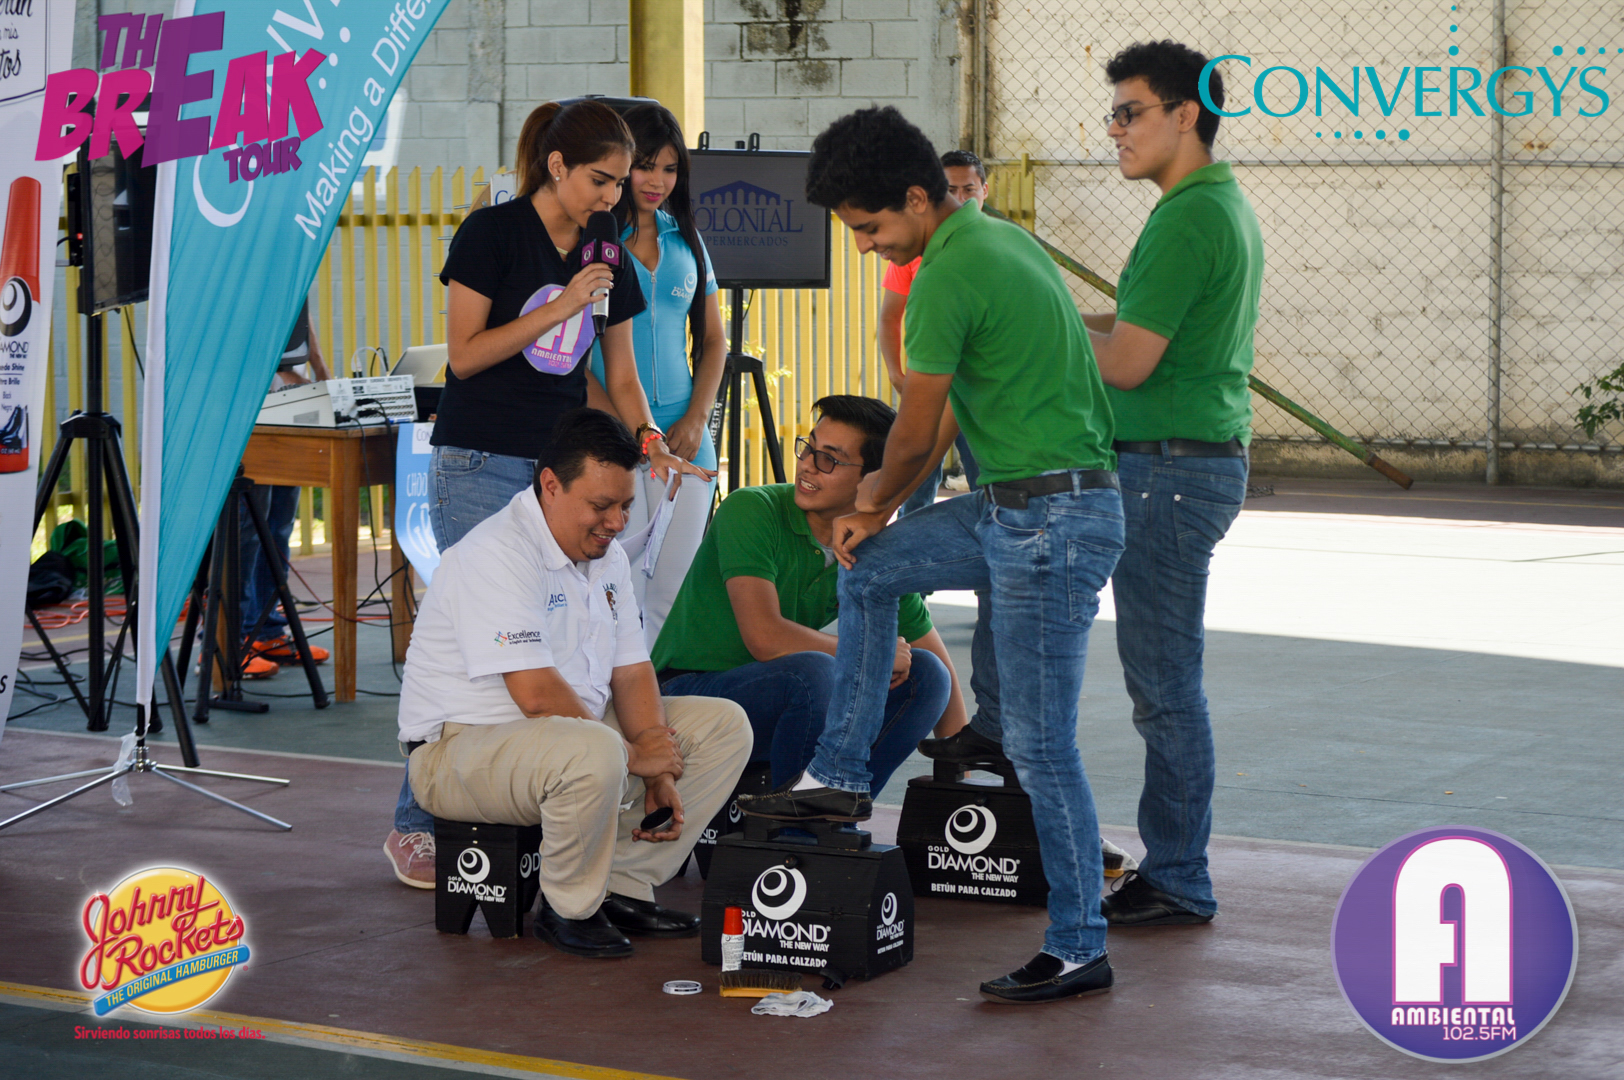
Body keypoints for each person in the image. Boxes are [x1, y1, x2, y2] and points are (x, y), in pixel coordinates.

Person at [737, 106, 1125, 1006]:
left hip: (1054, 524)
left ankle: (1078, 944)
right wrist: (877, 517)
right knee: (872, 569)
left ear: (918, 199)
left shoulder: (950, 272)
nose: (865, 246)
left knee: (1041, 745)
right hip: (1011, 508)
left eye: (870, 227)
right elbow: (948, 414)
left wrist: (872, 502)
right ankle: (840, 775)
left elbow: (913, 431)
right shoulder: (996, 239)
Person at [384, 100, 715, 887]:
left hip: (560, 468)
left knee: (568, 632)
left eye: (620, 182)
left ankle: (545, 796)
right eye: (601, 179)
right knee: (484, 639)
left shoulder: (608, 253)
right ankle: (417, 821)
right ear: (557, 166)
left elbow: (622, 376)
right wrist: (563, 305)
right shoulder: (493, 233)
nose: (613, 195)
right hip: (481, 458)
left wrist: (650, 442)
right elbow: (465, 357)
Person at [397, 408, 752, 958]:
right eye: (601, 506)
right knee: (594, 749)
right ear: (550, 485)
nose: (616, 522)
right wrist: (635, 755)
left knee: (723, 726)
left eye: (626, 506)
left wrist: (658, 763)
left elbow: (631, 669)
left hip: (558, 736)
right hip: (457, 750)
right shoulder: (497, 552)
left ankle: (620, 885)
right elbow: (537, 695)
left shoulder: (605, 557)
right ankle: (569, 907)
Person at [1079, 42, 1263, 927]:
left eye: (1131, 112)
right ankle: (1177, 867)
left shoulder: (1189, 217)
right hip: (1180, 466)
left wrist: (1033, 328)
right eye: (1113, 113)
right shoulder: (1211, 203)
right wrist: (1067, 317)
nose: (1115, 129)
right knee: (1165, 681)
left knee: (1163, 686)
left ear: (1186, 115)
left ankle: (1181, 875)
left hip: (1168, 473)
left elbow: (1126, 362)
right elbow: (1138, 328)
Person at [651, 395, 967, 794]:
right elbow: (765, 638)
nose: (807, 465)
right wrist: (871, 653)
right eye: (809, 448)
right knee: (816, 672)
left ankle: (838, 805)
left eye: (829, 459)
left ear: (874, 479)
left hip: (784, 696)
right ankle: (796, 820)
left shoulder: (873, 550)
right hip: (687, 695)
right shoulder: (752, 509)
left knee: (926, 675)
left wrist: (963, 783)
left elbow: (936, 664)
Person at [588, 103, 725, 646]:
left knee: (672, 594)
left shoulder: (687, 239)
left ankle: (661, 696)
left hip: (686, 441)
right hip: (613, 437)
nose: (657, 181)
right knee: (615, 592)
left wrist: (696, 418)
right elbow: (574, 355)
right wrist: (620, 430)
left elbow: (713, 340)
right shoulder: (596, 241)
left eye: (669, 169)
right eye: (646, 165)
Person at [878, 150, 987, 517]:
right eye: (950, 190)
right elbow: (889, 317)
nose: (961, 198)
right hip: (927, 386)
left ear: (985, 190)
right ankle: (908, 545)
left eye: (969, 189)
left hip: (979, 391)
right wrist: (896, 374)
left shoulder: (998, 248)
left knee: (988, 486)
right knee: (914, 488)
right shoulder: (914, 250)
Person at [238, 298, 332, 678]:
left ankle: (266, 631)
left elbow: (301, 319)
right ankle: (228, 643)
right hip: (248, 401)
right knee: (247, 531)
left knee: (277, 527)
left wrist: (321, 370)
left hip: (287, 399)